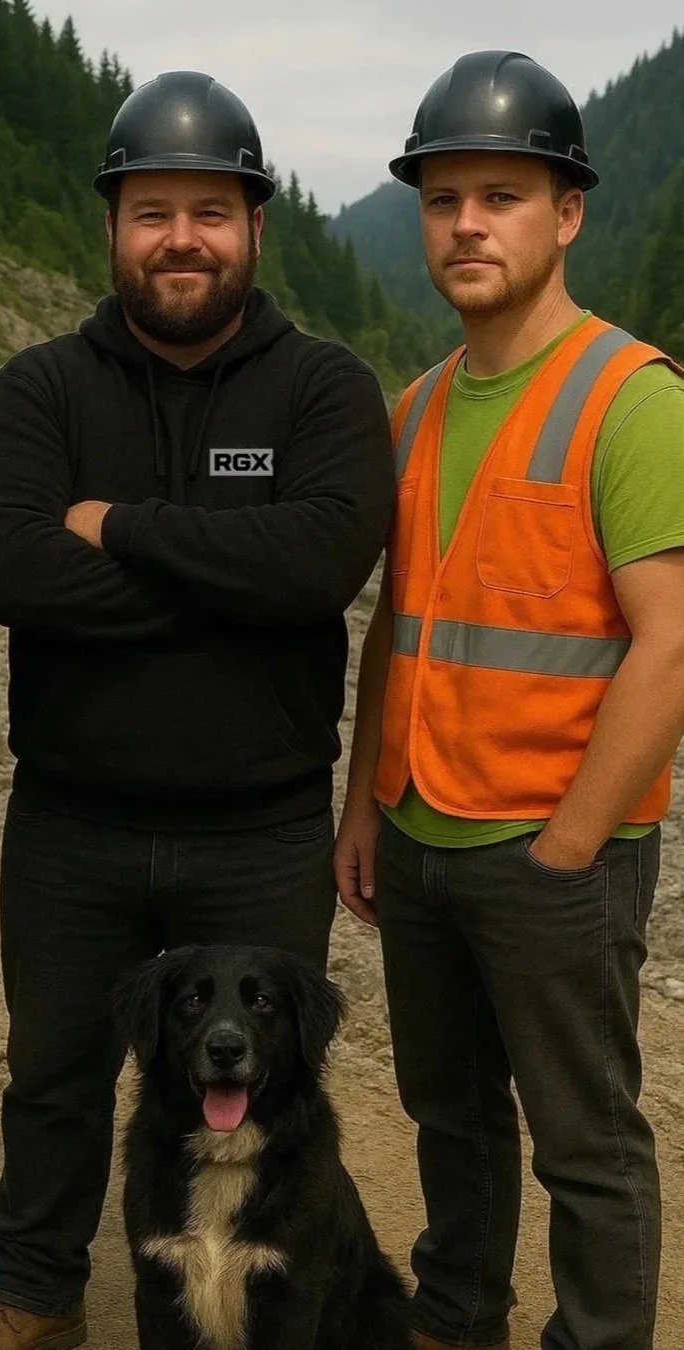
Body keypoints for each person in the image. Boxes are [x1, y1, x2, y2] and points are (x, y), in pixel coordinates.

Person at [0, 69, 395, 1350]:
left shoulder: (321, 388)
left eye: (210, 210)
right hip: (69, 826)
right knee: (50, 1080)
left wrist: (122, 533)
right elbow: (7, 568)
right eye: (152, 212)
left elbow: (318, 565)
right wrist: (226, 572)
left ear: (255, 226)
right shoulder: (41, 390)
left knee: (277, 1080)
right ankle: (33, 1298)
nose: (181, 238)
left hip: (256, 830)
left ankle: (275, 1297)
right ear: (111, 229)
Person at [336, 49, 684, 1350]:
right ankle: (456, 1314)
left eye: (502, 194)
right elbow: (397, 633)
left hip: (554, 846)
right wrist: (363, 803)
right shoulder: (415, 409)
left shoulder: (631, 398)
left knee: (586, 1142)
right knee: (452, 1114)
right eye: (443, 199)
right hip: (419, 833)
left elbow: (671, 645)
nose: (468, 222)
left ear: (568, 211)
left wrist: (568, 851)